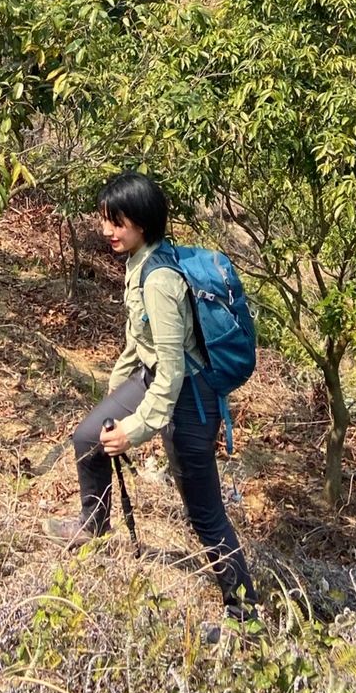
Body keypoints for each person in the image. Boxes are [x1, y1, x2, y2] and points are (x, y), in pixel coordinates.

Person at [43, 171, 257, 622]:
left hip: (189, 400)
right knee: (87, 438)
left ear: (142, 222)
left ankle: (244, 611)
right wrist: (115, 393)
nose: (107, 232)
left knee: (205, 515)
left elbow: (174, 372)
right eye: (105, 220)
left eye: (117, 222)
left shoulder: (160, 281)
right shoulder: (141, 262)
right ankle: (92, 524)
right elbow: (139, 341)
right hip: (153, 377)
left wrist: (135, 430)